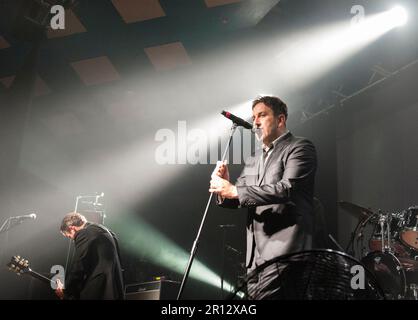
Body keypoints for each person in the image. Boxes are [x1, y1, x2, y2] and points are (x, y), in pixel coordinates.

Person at [209, 96, 317, 299]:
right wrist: (225, 188)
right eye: (253, 117)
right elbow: (239, 196)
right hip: (255, 259)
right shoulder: (254, 158)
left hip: (285, 254)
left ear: (280, 120)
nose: (255, 122)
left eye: (262, 115)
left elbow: (287, 189)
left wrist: (234, 190)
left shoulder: (299, 147)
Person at [55, 212, 125, 300]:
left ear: (72, 228)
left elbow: (79, 266)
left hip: (98, 291)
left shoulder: (84, 233)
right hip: (114, 290)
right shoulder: (106, 231)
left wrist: (66, 290)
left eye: (70, 236)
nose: (73, 240)